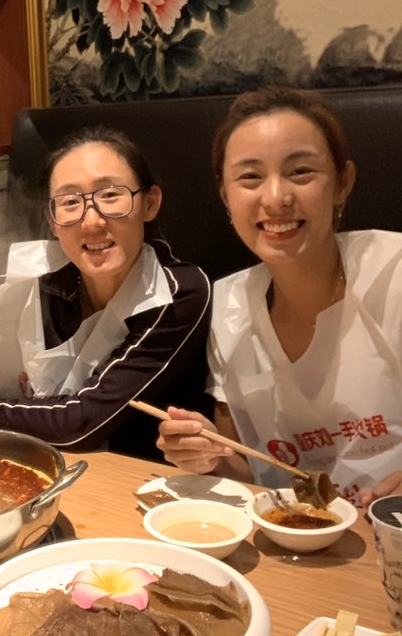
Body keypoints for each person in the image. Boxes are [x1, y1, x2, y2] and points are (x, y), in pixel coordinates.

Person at [157, 86, 402, 507]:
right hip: (290, 533)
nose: (275, 199)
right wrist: (209, 455)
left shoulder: (393, 273)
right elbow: (247, 473)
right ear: (226, 197)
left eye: (301, 171)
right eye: (250, 177)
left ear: (343, 182)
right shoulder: (227, 309)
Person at [0, 126, 212, 459]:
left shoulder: (177, 294)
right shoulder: (28, 279)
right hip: (29, 463)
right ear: (52, 221)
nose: (92, 222)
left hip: (134, 479)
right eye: (70, 202)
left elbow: (80, 423)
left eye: (110, 195)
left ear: (149, 204)